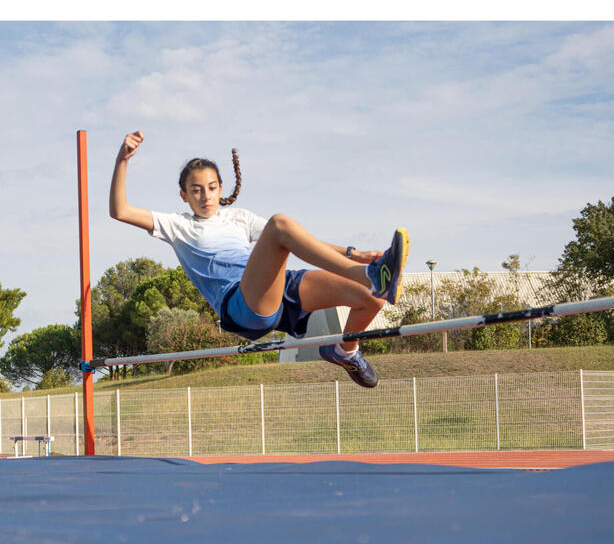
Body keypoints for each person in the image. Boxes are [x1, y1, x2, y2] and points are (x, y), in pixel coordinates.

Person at [109, 130, 409, 388]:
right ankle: (368, 275)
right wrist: (123, 159)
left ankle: (345, 351)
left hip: (278, 288)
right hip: (242, 305)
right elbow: (120, 210)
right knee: (279, 225)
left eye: (212, 188)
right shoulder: (178, 225)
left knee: (371, 299)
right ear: (183, 195)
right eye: (196, 191)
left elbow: (297, 238)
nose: (205, 196)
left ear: (221, 189)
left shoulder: (238, 218)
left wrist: (352, 253)